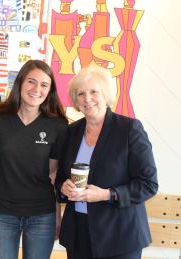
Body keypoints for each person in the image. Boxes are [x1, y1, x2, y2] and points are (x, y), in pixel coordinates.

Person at [55, 64, 158, 259]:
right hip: (79, 233)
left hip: (119, 235)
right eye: (81, 94)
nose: (87, 99)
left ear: (106, 94)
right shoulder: (71, 132)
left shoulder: (129, 129)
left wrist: (106, 194)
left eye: (94, 92)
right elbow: (60, 177)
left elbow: (148, 184)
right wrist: (63, 187)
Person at [0, 60, 68, 259]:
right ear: (20, 82)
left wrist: (57, 212)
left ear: (50, 90)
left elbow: (53, 174)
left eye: (44, 85)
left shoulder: (57, 125)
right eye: (31, 81)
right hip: (2, 213)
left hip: (41, 214)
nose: (36, 89)